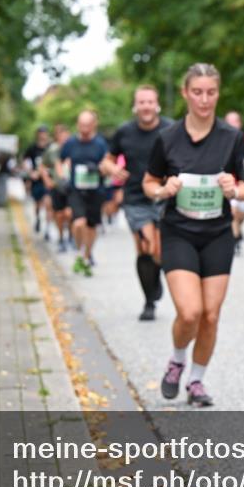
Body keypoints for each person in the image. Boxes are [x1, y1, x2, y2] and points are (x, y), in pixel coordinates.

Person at [143, 63, 244, 407]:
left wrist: (234, 190)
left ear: (218, 94)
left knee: (210, 315)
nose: (204, 100)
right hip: (178, 233)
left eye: (211, 92)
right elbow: (148, 182)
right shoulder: (167, 138)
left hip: (218, 234)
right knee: (190, 312)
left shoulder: (232, 138)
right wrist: (163, 190)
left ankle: (196, 381)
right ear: (185, 93)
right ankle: (177, 360)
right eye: (197, 92)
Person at [101, 85, 175, 321]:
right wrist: (113, 169)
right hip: (135, 197)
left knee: (158, 251)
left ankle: (154, 278)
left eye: (150, 102)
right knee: (145, 247)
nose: (146, 107)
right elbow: (106, 161)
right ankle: (149, 300)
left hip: (164, 196)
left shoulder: (171, 128)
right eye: (142, 102)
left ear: (157, 105)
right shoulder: (125, 132)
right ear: (135, 106)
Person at [60, 110, 109, 276]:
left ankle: (87, 255)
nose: (84, 129)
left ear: (94, 125)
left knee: (91, 225)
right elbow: (61, 161)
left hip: (96, 190)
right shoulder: (70, 143)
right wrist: (62, 177)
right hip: (76, 189)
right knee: (78, 222)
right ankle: (79, 250)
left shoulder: (100, 144)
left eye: (87, 125)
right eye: (81, 125)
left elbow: (108, 163)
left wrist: (98, 168)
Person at [40, 124, 73, 252]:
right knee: (59, 214)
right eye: (60, 135)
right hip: (57, 186)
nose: (63, 138)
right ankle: (61, 238)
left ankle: (71, 235)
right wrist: (47, 180)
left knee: (69, 213)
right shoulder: (52, 150)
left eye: (65, 135)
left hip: (71, 186)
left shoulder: (73, 148)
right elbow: (43, 166)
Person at [225, 109, 244, 254]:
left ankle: (237, 232)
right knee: (233, 214)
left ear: (240, 124)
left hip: (243, 184)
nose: (232, 124)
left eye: (234, 121)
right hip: (228, 185)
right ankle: (235, 240)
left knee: (241, 215)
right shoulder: (220, 141)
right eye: (229, 122)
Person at [23, 126, 51, 238]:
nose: (42, 135)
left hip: (48, 179)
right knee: (38, 203)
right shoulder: (32, 148)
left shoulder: (50, 147)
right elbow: (25, 160)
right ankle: (38, 218)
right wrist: (30, 172)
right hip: (36, 180)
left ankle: (48, 228)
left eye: (44, 133)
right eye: (41, 133)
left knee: (48, 203)